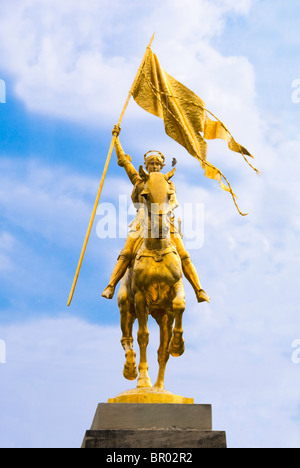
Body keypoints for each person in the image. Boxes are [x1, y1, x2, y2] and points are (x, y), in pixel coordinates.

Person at [102, 125, 210, 303]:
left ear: (161, 165)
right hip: (142, 222)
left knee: (183, 254)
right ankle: (111, 285)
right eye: (151, 163)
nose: (154, 166)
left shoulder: (168, 183)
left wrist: (164, 210)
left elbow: (174, 201)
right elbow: (123, 161)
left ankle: (199, 289)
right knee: (127, 252)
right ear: (146, 165)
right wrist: (116, 140)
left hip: (166, 221)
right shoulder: (139, 180)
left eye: (157, 163)